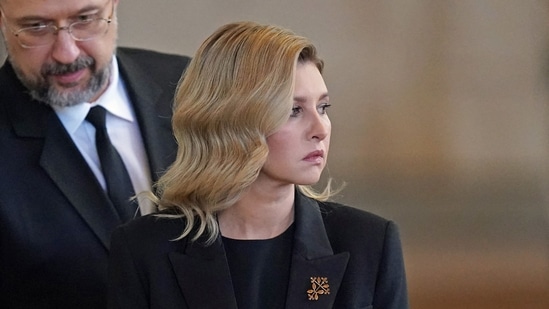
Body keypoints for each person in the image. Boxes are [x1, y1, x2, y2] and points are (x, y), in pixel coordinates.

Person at [108, 21, 408, 309]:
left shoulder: (369, 242)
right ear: (233, 120)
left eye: (323, 107)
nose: (321, 128)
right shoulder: (145, 250)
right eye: (293, 110)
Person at [0, 0, 190, 308]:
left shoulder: (190, 86)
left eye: (85, 19)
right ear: (3, 19)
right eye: (36, 27)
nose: (67, 53)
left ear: (113, 6)